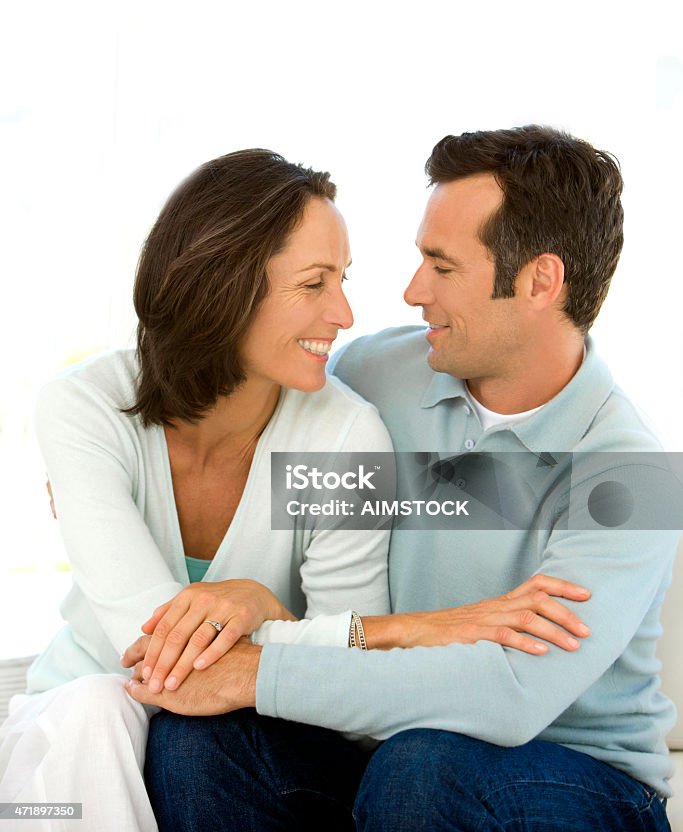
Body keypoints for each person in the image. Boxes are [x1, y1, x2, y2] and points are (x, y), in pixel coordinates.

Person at [0, 148, 584, 832]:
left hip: (228, 745)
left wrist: (258, 608)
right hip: (68, 750)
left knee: (192, 743)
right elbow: (159, 658)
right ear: (224, 287)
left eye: (342, 280)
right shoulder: (85, 407)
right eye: (314, 283)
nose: (342, 314)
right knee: (103, 705)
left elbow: (346, 685)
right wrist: (413, 629)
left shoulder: (344, 432)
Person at [134, 126, 679, 832]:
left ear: (539, 280)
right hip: (385, 757)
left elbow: (509, 694)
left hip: (575, 780)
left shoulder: (628, 475)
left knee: (425, 764)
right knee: (197, 741)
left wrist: (253, 672)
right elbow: (232, 392)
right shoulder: (373, 376)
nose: (411, 291)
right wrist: (136, 456)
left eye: (441, 265)